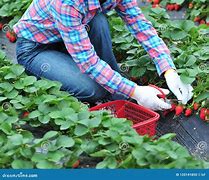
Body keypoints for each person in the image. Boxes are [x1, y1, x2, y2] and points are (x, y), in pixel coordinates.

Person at [14, 0, 193, 111]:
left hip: (68, 38)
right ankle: (115, 90)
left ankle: (117, 89)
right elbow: (89, 63)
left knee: (97, 20)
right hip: (37, 49)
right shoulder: (67, 3)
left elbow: (141, 26)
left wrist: (169, 70)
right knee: (94, 89)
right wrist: (136, 91)